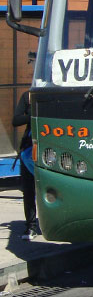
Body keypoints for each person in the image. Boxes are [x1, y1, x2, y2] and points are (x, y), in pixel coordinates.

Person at [13, 90, 38, 240]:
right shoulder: (27, 96)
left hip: (52, 144)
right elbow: (15, 120)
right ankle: (31, 226)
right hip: (29, 148)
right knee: (28, 190)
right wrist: (33, 116)